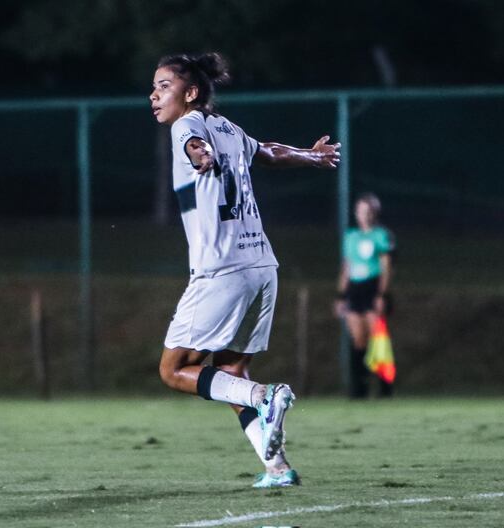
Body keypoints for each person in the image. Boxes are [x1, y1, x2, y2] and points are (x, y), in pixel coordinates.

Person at [150, 52, 340, 488]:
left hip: (222, 271)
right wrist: (312, 157)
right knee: (230, 373)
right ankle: (277, 467)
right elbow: (270, 152)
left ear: (191, 93)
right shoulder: (230, 129)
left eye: (163, 86)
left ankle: (267, 397)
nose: (154, 94)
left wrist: (199, 156)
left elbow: (192, 145)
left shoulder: (188, 125)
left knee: (173, 369)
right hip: (262, 268)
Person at [334, 193, 395, 398]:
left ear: (374, 213)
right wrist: (340, 296)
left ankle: (385, 387)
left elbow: (386, 267)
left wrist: (382, 295)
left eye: (368, 211)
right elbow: (346, 267)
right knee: (358, 340)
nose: (364, 215)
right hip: (355, 290)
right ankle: (359, 388)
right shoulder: (351, 237)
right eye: (360, 211)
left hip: (372, 289)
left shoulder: (381, 236)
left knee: (377, 339)